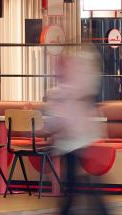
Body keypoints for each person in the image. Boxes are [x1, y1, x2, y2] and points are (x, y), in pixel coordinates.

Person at [45, 49, 110, 215]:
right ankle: (99, 209)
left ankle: (74, 210)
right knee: (76, 180)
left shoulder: (65, 91)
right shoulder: (64, 91)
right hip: (73, 140)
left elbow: (58, 117)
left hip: (75, 140)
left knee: (74, 181)